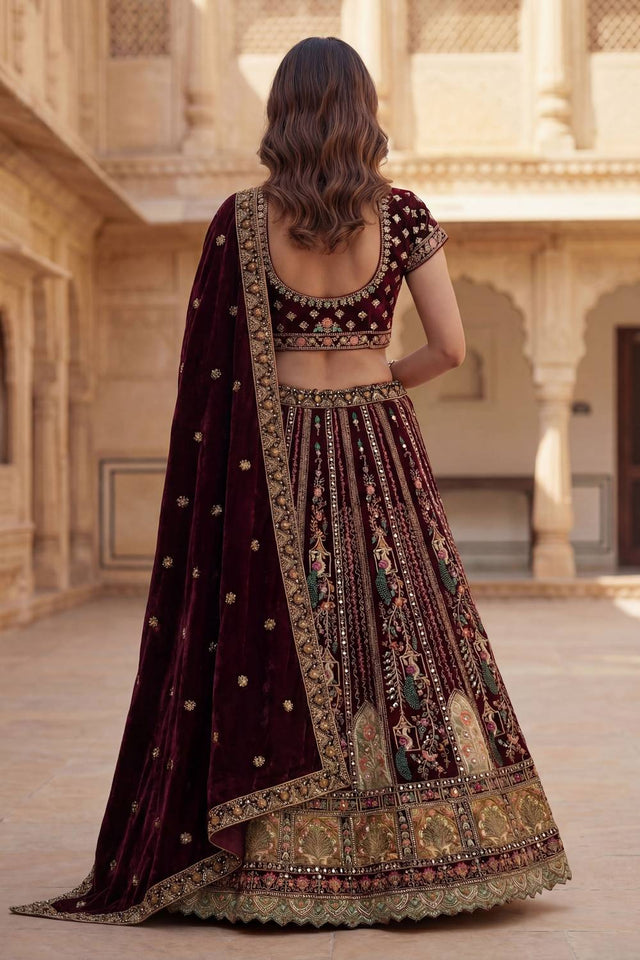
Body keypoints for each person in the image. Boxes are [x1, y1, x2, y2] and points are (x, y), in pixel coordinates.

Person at [9, 35, 571, 928]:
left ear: (282, 114)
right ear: (363, 112)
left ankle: (272, 849)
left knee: (279, 629)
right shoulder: (405, 216)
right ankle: (425, 844)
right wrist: (380, 380)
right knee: (397, 631)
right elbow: (452, 348)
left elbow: (212, 372)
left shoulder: (240, 221)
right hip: (377, 441)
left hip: (271, 455)